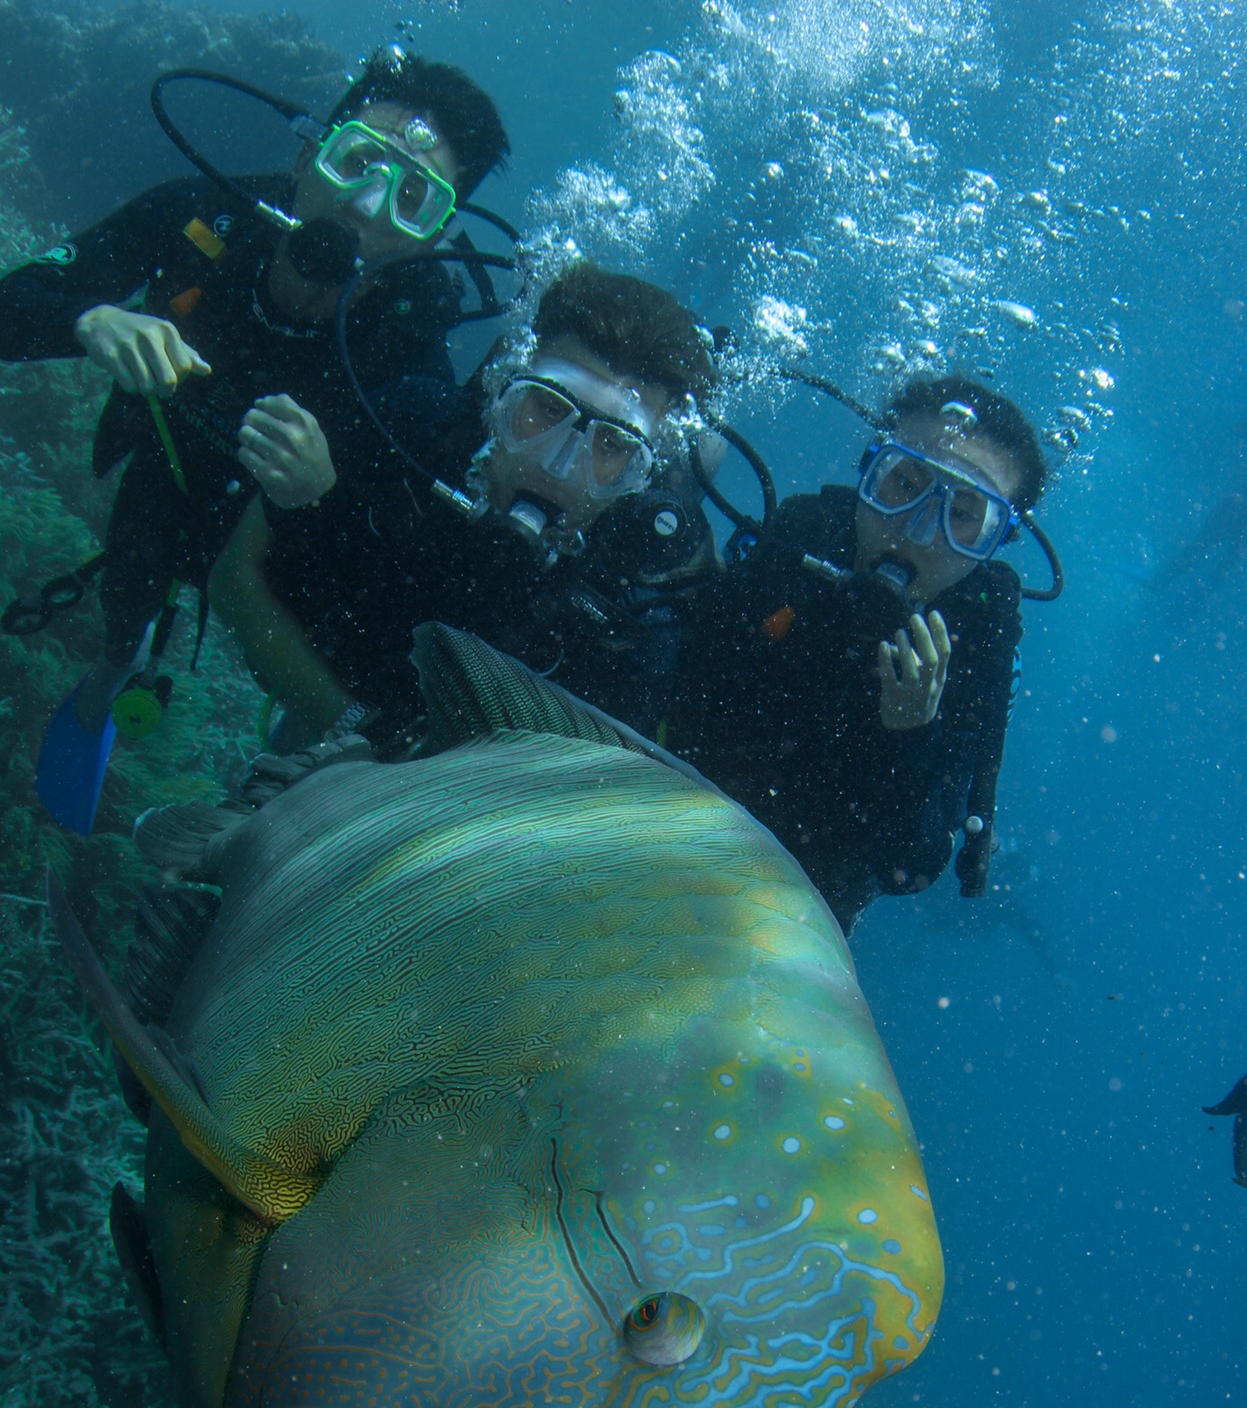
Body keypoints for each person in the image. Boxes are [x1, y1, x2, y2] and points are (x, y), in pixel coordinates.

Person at [0, 47, 510, 830]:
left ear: (431, 237)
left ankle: (294, 778)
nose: (362, 205)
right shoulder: (200, 222)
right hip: (167, 477)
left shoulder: (412, 354)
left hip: (283, 555)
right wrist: (89, 319)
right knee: (126, 621)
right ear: (306, 154)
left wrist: (322, 496)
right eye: (356, 160)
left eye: (412, 198)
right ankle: (112, 676)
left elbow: (398, 571)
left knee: (323, 707)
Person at [207, 261, 717, 749]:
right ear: (502, 388)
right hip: (332, 712)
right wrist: (356, 730)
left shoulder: (636, 598)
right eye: (546, 408)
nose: (558, 466)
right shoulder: (411, 429)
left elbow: (591, 793)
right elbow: (235, 579)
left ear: (640, 476)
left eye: (612, 445)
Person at [669, 374, 1051, 933]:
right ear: (869, 471)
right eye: (904, 484)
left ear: (995, 544)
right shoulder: (802, 537)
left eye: (963, 516)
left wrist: (912, 735)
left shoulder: (980, 644)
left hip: (802, 901)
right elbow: (675, 680)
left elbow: (908, 870)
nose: (917, 530)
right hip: (670, 817)